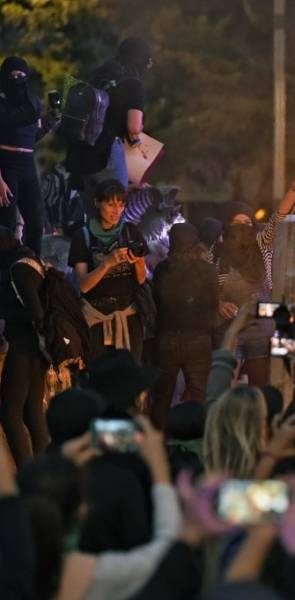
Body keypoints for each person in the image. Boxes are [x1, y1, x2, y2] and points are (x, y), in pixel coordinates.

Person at [215, 170, 295, 385]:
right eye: (237, 224)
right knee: (226, 383)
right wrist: (219, 304)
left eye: (248, 223)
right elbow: (208, 291)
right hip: (232, 326)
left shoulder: (261, 243)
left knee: (264, 382)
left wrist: (294, 189)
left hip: (264, 321)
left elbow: (278, 216)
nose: (243, 229)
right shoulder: (216, 255)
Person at [69, 179, 149, 362]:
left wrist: (137, 262)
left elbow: (142, 279)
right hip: (96, 318)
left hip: (129, 315)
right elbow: (84, 286)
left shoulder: (130, 232)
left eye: (121, 205)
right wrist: (107, 263)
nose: (117, 211)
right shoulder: (83, 236)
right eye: (111, 204)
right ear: (97, 202)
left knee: (129, 378)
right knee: (98, 379)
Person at [150, 222, 219, 429]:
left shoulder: (163, 269)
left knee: (162, 399)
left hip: (167, 339)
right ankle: (198, 446)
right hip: (199, 339)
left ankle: (159, 448)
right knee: (200, 398)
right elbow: (213, 303)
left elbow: (157, 302)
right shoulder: (207, 270)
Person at [65, 37, 152, 196]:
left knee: (87, 205)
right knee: (114, 205)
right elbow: (134, 127)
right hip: (108, 150)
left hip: (82, 147)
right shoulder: (134, 84)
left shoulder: (102, 73)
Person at [0, 225, 49, 466]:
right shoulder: (27, 258)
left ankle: (28, 473)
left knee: (10, 414)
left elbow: (35, 312)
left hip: (25, 346)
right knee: (31, 413)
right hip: (35, 347)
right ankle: (41, 473)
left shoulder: (18, 268)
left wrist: (3, 312)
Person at [0, 56, 53, 256]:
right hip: (6, 164)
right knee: (6, 224)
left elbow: (30, 136)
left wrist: (50, 122)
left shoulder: (32, 103)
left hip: (27, 165)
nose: (16, 79)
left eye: (21, 75)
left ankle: (31, 263)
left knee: (37, 221)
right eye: (11, 75)